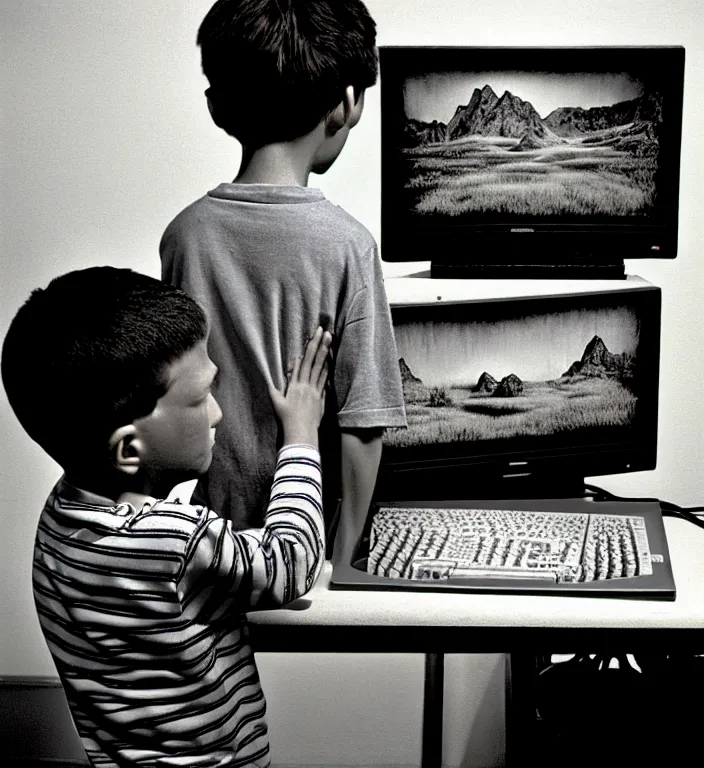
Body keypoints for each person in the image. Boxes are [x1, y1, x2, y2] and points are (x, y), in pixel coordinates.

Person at [1, 266, 332, 768]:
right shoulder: (177, 541)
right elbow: (294, 561)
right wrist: (302, 434)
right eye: (201, 398)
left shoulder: (59, 519)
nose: (219, 413)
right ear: (129, 450)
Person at [160, 0, 407, 555]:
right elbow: (364, 424)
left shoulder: (185, 236)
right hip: (303, 541)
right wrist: (341, 560)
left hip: (211, 547)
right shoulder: (349, 246)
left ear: (216, 105)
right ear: (347, 102)